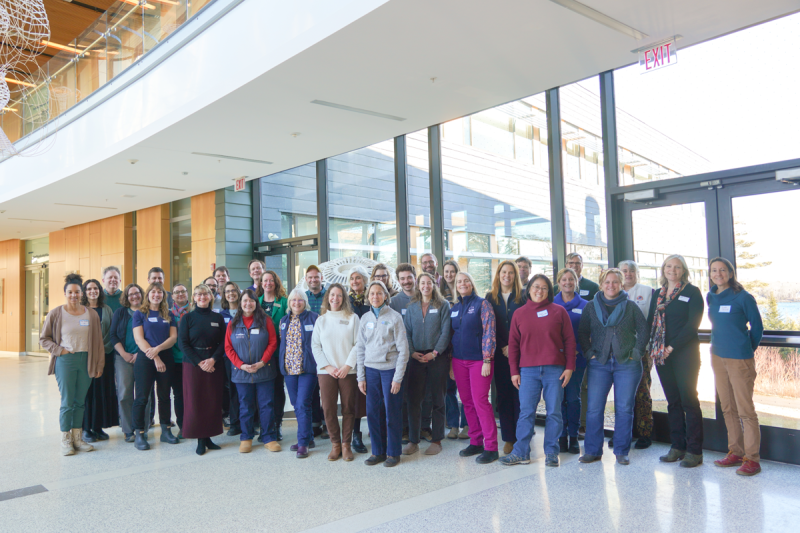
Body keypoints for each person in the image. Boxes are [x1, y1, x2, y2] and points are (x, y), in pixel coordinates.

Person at [500, 274, 576, 467]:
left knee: (554, 413)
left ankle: (551, 452)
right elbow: (513, 345)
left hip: (554, 370)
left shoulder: (559, 312)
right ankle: (521, 452)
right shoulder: (519, 313)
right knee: (526, 412)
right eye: (535, 286)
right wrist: (514, 371)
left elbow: (569, 341)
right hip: (528, 371)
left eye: (543, 287)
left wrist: (569, 367)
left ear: (549, 291)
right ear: (529, 289)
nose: (539, 291)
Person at [578, 268, 648, 465]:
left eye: (615, 282)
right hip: (599, 364)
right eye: (607, 282)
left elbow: (643, 331)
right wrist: (589, 353)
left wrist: (636, 353)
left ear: (621, 284)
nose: (611, 286)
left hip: (627, 364)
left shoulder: (631, 306)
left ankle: (621, 451)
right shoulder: (591, 307)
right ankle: (592, 451)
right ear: (601, 284)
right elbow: (582, 332)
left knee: (624, 408)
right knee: (593, 409)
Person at [707, 257, 764, 476]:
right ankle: (736, 452)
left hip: (739, 358)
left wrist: (745, 349)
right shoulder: (711, 296)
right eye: (714, 270)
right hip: (718, 357)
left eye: (722, 270)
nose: (718, 273)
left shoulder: (743, 297)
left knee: (745, 410)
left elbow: (757, 328)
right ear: (710, 274)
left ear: (730, 273)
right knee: (727, 407)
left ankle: (752, 459)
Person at [647, 255, 705, 467]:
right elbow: (650, 323)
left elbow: (692, 325)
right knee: (672, 401)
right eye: (669, 266)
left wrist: (671, 347)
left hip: (684, 353)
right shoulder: (658, 294)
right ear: (663, 269)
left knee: (689, 400)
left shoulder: (692, 292)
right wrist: (651, 347)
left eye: (677, 267)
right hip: (662, 354)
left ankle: (694, 451)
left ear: (683, 270)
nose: (672, 270)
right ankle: (677, 446)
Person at [40, 274, 105, 456]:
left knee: (80, 401)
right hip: (66, 361)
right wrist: (60, 350)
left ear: (81, 293)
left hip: (86, 361)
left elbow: (98, 342)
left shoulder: (90, 314)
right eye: (70, 292)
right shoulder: (56, 313)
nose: (74, 295)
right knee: (68, 400)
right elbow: (44, 339)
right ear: (65, 293)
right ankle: (65, 439)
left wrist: (99, 365)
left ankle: (77, 437)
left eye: (77, 292)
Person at [356, 280, 410, 467]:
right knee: (372, 413)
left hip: (390, 371)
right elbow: (360, 348)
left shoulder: (394, 317)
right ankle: (377, 452)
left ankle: (393, 452)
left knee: (391, 412)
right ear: (368, 296)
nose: (375, 296)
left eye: (379, 293)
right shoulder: (365, 318)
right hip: (371, 371)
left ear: (385, 296)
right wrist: (360, 377)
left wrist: (397, 378)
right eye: (372, 293)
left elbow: (404, 350)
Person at [450, 271, 498, 464]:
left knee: (480, 401)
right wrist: (450, 364)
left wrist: (487, 359)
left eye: (466, 280)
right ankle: (476, 440)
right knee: (466, 401)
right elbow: (451, 334)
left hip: (479, 360)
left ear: (471, 283)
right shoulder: (454, 307)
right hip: (458, 361)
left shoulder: (482, 304)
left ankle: (491, 446)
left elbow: (489, 332)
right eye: (459, 281)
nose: (462, 284)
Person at [402, 272, 452, 456]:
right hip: (416, 357)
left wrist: (435, 353)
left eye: (428, 283)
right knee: (414, 400)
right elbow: (406, 332)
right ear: (418, 285)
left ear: (434, 284)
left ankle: (437, 439)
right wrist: (412, 352)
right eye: (422, 283)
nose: (425, 286)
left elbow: (446, 332)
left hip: (436, 356)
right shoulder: (411, 307)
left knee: (438, 398)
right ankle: (414, 440)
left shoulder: (443, 305)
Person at [225, 289, 280, 453]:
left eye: (251, 301)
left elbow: (272, 343)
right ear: (240, 304)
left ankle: (269, 437)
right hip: (242, 373)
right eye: (245, 301)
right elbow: (228, 348)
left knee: (267, 405)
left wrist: (262, 362)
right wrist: (241, 365)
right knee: (245, 406)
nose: (248, 304)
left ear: (256, 303)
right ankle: (246, 437)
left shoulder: (265, 320)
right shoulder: (233, 323)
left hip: (264, 372)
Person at [312, 283, 360, 461]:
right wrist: (327, 366)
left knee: (348, 407)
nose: (335, 298)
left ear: (344, 298)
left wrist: (347, 366)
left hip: (348, 371)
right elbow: (315, 346)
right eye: (332, 295)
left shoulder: (353, 318)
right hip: (326, 372)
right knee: (329, 408)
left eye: (339, 295)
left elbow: (358, 344)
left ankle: (346, 444)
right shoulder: (321, 320)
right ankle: (335, 444)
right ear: (328, 297)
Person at [179, 283, 227, 455]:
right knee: (196, 401)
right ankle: (200, 439)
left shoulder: (218, 318)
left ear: (210, 297)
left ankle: (209, 437)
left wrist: (213, 360)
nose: (202, 297)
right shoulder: (187, 318)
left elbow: (224, 342)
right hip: (193, 365)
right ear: (194, 297)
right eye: (198, 294)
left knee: (212, 401)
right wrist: (200, 362)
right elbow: (183, 344)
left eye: (205, 294)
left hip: (214, 363)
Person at [131, 282, 179, 451]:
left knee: (165, 395)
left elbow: (173, 338)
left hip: (165, 355)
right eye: (153, 292)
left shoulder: (169, 314)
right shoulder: (140, 314)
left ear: (163, 296)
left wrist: (158, 351)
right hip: (145, 358)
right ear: (148, 294)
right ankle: (139, 433)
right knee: (142, 397)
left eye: (160, 292)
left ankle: (166, 431)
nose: (156, 295)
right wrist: (155, 357)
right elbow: (139, 339)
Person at [485, 260, 525, 456]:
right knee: (503, 396)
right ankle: (509, 438)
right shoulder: (490, 298)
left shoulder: (524, 297)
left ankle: (521, 436)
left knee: (520, 396)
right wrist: (503, 345)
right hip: (500, 355)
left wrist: (514, 346)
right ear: (498, 275)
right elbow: (489, 326)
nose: (507, 276)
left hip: (522, 354)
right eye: (503, 272)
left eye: (510, 272)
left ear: (515, 275)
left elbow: (528, 325)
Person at [278, 288, 319, 458]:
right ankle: (308, 437)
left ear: (305, 302)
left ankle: (302, 442)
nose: (296, 303)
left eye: (300, 300)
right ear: (289, 303)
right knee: (297, 404)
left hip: (307, 369)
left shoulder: (314, 318)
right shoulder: (284, 320)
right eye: (293, 300)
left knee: (303, 403)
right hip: (289, 369)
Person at [619, 260, 655, 449]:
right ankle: (624, 434)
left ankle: (644, 433)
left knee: (642, 392)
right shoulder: (613, 291)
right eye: (624, 270)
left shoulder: (648, 292)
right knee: (622, 394)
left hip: (641, 350)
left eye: (632, 270)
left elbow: (652, 321)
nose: (628, 273)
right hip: (618, 352)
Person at [110, 283, 152, 442]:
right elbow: (113, 335)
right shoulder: (120, 313)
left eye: (137, 293)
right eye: (130, 294)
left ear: (142, 294)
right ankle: (128, 429)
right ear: (126, 298)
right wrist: (125, 354)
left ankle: (143, 427)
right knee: (125, 393)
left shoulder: (148, 312)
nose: (134, 296)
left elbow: (153, 335)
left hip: (145, 357)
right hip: (123, 358)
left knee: (144, 394)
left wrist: (140, 354)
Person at [553, 268, 588, 455]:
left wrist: (578, 350)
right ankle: (561, 436)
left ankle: (573, 436)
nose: (567, 282)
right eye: (564, 279)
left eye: (571, 279)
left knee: (573, 398)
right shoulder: (550, 304)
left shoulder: (585, 305)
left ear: (576, 282)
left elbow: (590, 333)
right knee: (558, 399)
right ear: (558, 282)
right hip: (556, 361)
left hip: (577, 359)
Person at [80, 279, 118, 443]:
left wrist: (102, 349)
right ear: (84, 292)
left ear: (100, 291)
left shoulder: (106, 309)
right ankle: (86, 428)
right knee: (88, 392)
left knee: (102, 391)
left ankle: (98, 427)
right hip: (86, 358)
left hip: (105, 357)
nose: (93, 291)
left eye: (95, 288)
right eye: (89, 289)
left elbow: (112, 332)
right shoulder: (80, 310)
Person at [257, 270, 288, 441]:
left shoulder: (284, 302)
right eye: (265, 280)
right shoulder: (256, 302)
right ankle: (264, 425)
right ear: (261, 283)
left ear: (275, 283)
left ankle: (277, 424)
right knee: (262, 392)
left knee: (277, 390)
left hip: (277, 354)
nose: (268, 283)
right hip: (258, 354)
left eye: (271, 280)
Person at [390, 263, 419, 442]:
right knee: (404, 395)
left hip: (423, 354)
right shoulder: (394, 302)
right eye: (402, 279)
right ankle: (405, 429)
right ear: (398, 280)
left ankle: (423, 428)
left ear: (415, 277)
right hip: (403, 356)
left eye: (409, 277)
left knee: (423, 395)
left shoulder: (424, 296)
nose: (406, 281)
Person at [439, 259, 467, 439]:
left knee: (465, 390)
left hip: (463, 349)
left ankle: (466, 424)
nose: (449, 274)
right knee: (449, 389)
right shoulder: (439, 295)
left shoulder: (464, 294)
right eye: (446, 271)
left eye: (452, 271)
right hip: (445, 349)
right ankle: (453, 425)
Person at [348, 266, 370, 453]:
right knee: (356, 398)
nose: (355, 281)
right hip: (354, 354)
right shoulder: (346, 302)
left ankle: (376, 431)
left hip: (374, 353)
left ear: (364, 280)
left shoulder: (373, 298)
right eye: (352, 279)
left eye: (358, 278)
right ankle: (356, 435)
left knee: (373, 396)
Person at [304, 265, 327, 438]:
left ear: (321, 278)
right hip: (309, 348)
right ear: (306, 279)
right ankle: (315, 423)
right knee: (312, 389)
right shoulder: (302, 298)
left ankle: (328, 423)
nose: (313, 280)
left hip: (328, 347)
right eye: (310, 277)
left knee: (326, 389)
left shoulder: (330, 295)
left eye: (316, 277)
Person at [168, 284, 190, 439]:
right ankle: (182, 426)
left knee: (193, 393)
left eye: (183, 291)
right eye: (177, 292)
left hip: (192, 359)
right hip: (174, 360)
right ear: (172, 296)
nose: (180, 294)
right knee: (179, 394)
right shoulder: (168, 314)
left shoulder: (195, 312)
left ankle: (194, 423)